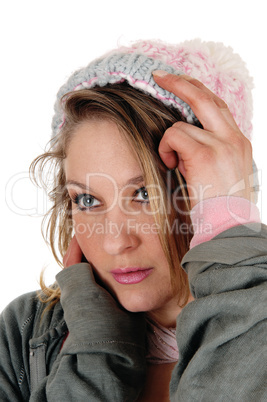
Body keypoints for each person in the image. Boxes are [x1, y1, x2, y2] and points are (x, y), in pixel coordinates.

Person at [0, 39, 266, 401]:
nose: (115, 242)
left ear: (212, 193)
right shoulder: (25, 332)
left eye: (145, 194)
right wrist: (97, 350)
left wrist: (232, 238)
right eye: (89, 200)